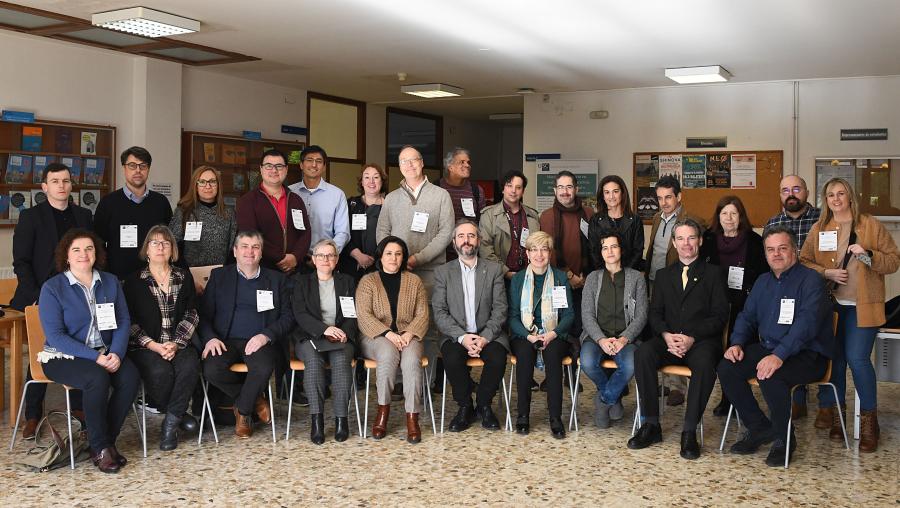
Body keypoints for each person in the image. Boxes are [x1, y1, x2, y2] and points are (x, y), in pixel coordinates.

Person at [718, 226, 834, 466]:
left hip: (808, 353)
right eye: (771, 250)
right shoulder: (762, 282)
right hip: (769, 347)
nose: (776, 254)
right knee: (727, 367)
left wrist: (779, 355)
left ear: (795, 250)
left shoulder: (811, 280)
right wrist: (737, 343)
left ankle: (784, 438)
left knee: (771, 376)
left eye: (782, 248)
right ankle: (759, 427)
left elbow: (807, 325)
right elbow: (747, 317)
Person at [800, 177, 899, 453]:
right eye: (830, 195)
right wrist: (827, 273)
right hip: (831, 306)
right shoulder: (820, 228)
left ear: (850, 196)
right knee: (836, 361)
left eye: (840, 193)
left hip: (863, 307)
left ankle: (869, 422)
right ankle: (837, 416)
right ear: (825, 200)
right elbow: (804, 261)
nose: (836, 199)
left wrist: (867, 254)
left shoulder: (870, 224)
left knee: (857, 359)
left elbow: (893, 261)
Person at [37, 229, 139, 473]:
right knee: (96, 377)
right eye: (76, 250)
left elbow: (123, 320)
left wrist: (116, 352)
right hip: (62, 356)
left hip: (105, 351)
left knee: (131, 376)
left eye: (89, 248)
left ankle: (102, 442)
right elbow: (56, 336)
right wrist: (97, 358)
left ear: (97, 253)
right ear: (66, 256)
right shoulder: (53, 288)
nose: (84, 254)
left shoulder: (110, 281)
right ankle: (101, 445)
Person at [628, 218, 728, 460]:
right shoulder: (663, 275)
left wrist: (692, 337)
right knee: (642, 353)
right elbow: (655, 312)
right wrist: (665, 334)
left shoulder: (714, 274)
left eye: (691, 238)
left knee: (705, 364)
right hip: (669, 339)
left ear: (700, 241)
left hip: (701, 342)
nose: (686, 243)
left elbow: (720, 315)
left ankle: (689, 430)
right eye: (681, 238)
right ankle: (651, 424)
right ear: (674, 242)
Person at [11, 162, 91, 438]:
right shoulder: (31, 217)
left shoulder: (83, 215)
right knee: (40, 352)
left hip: (77, 295)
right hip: (40, 296)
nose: (61, 186)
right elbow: (21, 262)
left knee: (81, 346)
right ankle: (33, 414)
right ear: (44, 187)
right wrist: (37, 297)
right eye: (55, 181)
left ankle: (80, 407)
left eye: (66, 181)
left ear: (71, 185)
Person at [199, 230, 294, 439]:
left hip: (259, 340)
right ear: (234, 251)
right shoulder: (219, 276)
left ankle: (242, 411)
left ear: (261, 253)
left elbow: (288, 317)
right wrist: (211, 338)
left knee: (262, 367)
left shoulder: (276, 280)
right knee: (212, 369)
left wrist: (266, 336)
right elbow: (203, 315)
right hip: (224, 340)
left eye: (255, 247)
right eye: (244, 246)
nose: (249, 252)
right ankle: (256, 400)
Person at [123, 225, 200, 451]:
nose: (160, 247)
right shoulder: (134, 280)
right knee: (160, 372)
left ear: (172, 249)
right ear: (146, 249)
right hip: (147, 346)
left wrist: (176, 343)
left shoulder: (183, 277)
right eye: (154, 242)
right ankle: (178, 413)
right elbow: (129, 320)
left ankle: (170, 424)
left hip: (178, 343)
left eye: (166, 243)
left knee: (189, 367)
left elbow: (192, 313)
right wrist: (154, 346)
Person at [432, 220, 508, 431]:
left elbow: (500, 309)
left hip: (488, 333)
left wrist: (484, 337)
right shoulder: (443, 272)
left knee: (497, 357)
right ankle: (465, 406)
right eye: (461, 236)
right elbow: (439, 312)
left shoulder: (493, 270)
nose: (466, 241)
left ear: (479, 240)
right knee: (452, 357)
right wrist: (463, 337)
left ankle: (484, 405)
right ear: (454, 242)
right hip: (455, 335)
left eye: (471, 236)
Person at [356, 236, 430, 443]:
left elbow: (423, 313)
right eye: (389, 253)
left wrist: (408, 334)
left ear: (403, 257)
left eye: (398, 254)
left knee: (411, 361)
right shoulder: (368, 281)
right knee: (388, 355)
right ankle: (382, 412)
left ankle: (412, 417)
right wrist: (388, 334)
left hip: (409, 335)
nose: (393, 258)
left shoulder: (414, 281)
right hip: (376, 336)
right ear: (380, 256)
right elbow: (364, 315)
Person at [699, 195, 767, 416]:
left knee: (737, 350)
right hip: (714, 305)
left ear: (741, 216)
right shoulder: (707, 240)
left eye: (733, 213)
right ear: (718, 216)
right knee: (717, 349)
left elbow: (764, 277)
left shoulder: (755, 242)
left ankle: (733, 398)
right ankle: (725, 397)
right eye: (724, 213)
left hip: (744, 306)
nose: (729, 218)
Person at [763, 175, 821, 418]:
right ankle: (797, 400)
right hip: (786, 295)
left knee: (820, 349)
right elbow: (771, 262)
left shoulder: (822, 220)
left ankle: (827, 406)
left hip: (821, 293)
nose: (791, 194)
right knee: (788, 338)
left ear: (806, 192)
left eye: (796, 189)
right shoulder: (773, 222)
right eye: (785, 190)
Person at [643, 175, 704, 406]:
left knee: (677, 328)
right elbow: (654, 249)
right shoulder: (658, 217)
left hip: (678, 282)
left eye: (668, 197)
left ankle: (678, 386)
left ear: (679, 196)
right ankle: (666, 382)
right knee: (659, 329)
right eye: (659, 198)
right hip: (653, 280)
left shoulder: (691, 220)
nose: (664, 202)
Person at [508, 231, 575, 439]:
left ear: (550, 253)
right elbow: (512, 317)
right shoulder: (518, 280)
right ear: (527, 253)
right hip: (525, 335)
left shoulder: (560, 278)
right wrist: (529, 337)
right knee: (525, 356)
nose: (539, 254)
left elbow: (569, 315)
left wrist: (552, 334)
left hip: (554, 334)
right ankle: (523, 416)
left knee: (554, 357)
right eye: (534, 249)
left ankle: (555, 418)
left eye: (544, 249)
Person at [291, 239, 358, 444]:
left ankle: (341, 420)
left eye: (330, 255)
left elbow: (352, 314)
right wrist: (324, 329)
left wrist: (343, 332)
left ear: (336, 260)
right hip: (309, 336)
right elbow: (300, 314)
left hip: (340, 336)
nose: (325, 259)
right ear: (313, 259)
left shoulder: (347, 281)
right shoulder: (301, 282)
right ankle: (317, 420)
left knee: (341, 362)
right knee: (313, 362)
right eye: (321, 255)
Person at [580, 230, 647, 428]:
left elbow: (641, 315)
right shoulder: (593, 278)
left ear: (622, 249)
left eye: (614, 246)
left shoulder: (636, 278)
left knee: (630, 365)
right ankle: (614, 399)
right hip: (596, 337)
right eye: (605, 248)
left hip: (625, 339)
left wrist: (623, 339)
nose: (609, 251)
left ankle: (604, 401)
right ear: (600, 252)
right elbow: (587, 315)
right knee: (588, 362)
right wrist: (601, 340)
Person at [375, 145, 455, 293]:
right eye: (404, 161)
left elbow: (446, 233)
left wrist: (416, 259)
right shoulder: (391, 198)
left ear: (422, 163)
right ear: (399, 166)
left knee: (429, 314)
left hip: (431, 274)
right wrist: (393, 259)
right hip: (396, 271)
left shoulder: (441, 195)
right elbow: (382, 231)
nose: (409, 165)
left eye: (414, 160)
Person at [93, 146, 173, 279]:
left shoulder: (161, 202)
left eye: (143, 166)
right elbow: (97, 243)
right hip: (119, 279)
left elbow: (170, 240)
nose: (138, 170)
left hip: (156, 278)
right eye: (132, 165)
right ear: (124, 168)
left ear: (148, 169)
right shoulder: (108, 203)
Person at [236, 148, 311, 274]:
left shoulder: (295, 199)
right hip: (263, 269)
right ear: (261, 169)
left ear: (286, 169)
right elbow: (251, 236)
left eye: (279, 166)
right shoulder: (248, 201)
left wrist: (295, 257)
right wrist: (281, 259)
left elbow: (305, 233)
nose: (274, 170)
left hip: (295, 270)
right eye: (268, 166)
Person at [288, 145, 350, 266]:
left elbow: (343, 232)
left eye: (319, 161)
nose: (314, 165)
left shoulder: (337, 194)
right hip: (293, 260)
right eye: (309, 160)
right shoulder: (289, 192)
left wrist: (326, 255)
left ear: (324, 167)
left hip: (325, 262)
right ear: (301, 165)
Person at [169, 165, 237, 269]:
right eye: (202, 182)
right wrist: (187, 275)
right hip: (190, 274)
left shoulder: (229, 213)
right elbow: (173, 245)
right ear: (195, 186)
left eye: (212, 181)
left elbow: (234, 248)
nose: (208, 186)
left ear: (218, 185)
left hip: (221, 274)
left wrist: (226, 272)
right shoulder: (183, 212)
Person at [478, 170, 541, 281]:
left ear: (523, 191)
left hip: (529, 277)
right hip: (499, 277)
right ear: (503, 189)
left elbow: (539, 246)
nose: (513, 191)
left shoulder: (533, 215)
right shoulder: (488, 215)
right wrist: (505, 272)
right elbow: (485, 249)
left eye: (518, 187)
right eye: (509, 186)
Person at [339, 163, 386, 281]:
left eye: (376, 177)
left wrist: (374, 259)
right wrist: (358, 255)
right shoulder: (351, 204)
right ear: (361, 182)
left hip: (381, 266)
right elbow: (341, 232)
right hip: (351, 266)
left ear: (382, 181)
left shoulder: (389, 206)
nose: (371, 181)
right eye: (367, 177)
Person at [587, 175, 644, 271]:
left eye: (615, 191)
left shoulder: (635, 220)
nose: (611, 196)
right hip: (603, 275)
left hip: (629, 274)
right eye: (607, 192)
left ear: (622, 193)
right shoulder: (595, 220)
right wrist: (607, 274)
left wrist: (624, 273)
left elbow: (638, 251)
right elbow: (593, 251)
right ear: (603, 196)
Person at [439, 148, 486, 261]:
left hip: (470, 253)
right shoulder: (437, 188)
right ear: (450, 167)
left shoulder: (476, 190)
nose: (467, 165)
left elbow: (483, 223)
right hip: (443, 255)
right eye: (462, 162)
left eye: (468, 162)